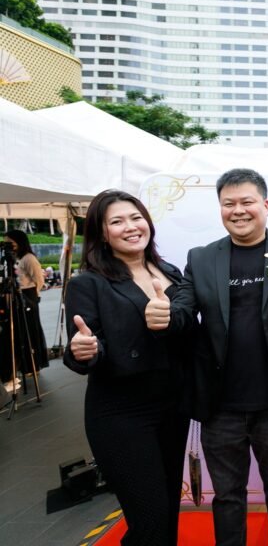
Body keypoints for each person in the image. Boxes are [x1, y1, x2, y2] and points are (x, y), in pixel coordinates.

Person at [146, 168, 268, 546]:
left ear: (265, 205)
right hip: (219, 404)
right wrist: (166, 315)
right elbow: (184, 310)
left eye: (246, 202)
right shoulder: (202, 258)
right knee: (227, 495)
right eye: (228, 203)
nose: (238, 210)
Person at [63, 190, 190, 545]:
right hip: (121, 414)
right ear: (102, 234)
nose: (131, 227)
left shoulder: (170, 272)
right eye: (117, 222)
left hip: (173, 408)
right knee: (149, 519)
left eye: (136, 218)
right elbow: (84, 345)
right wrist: (84, 350)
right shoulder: (88, 283)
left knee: (167, 512)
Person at [3, 230, 49, 380]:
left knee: (30, 331)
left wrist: (33, 297)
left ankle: (32, 365)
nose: (9, 246)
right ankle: (22, 366)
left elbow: (39, 279)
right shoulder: (14, 258)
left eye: (11, 242)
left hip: (28, 295)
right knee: (19, 331)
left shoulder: (29, 258)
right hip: (17, 296)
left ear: (19, 241)